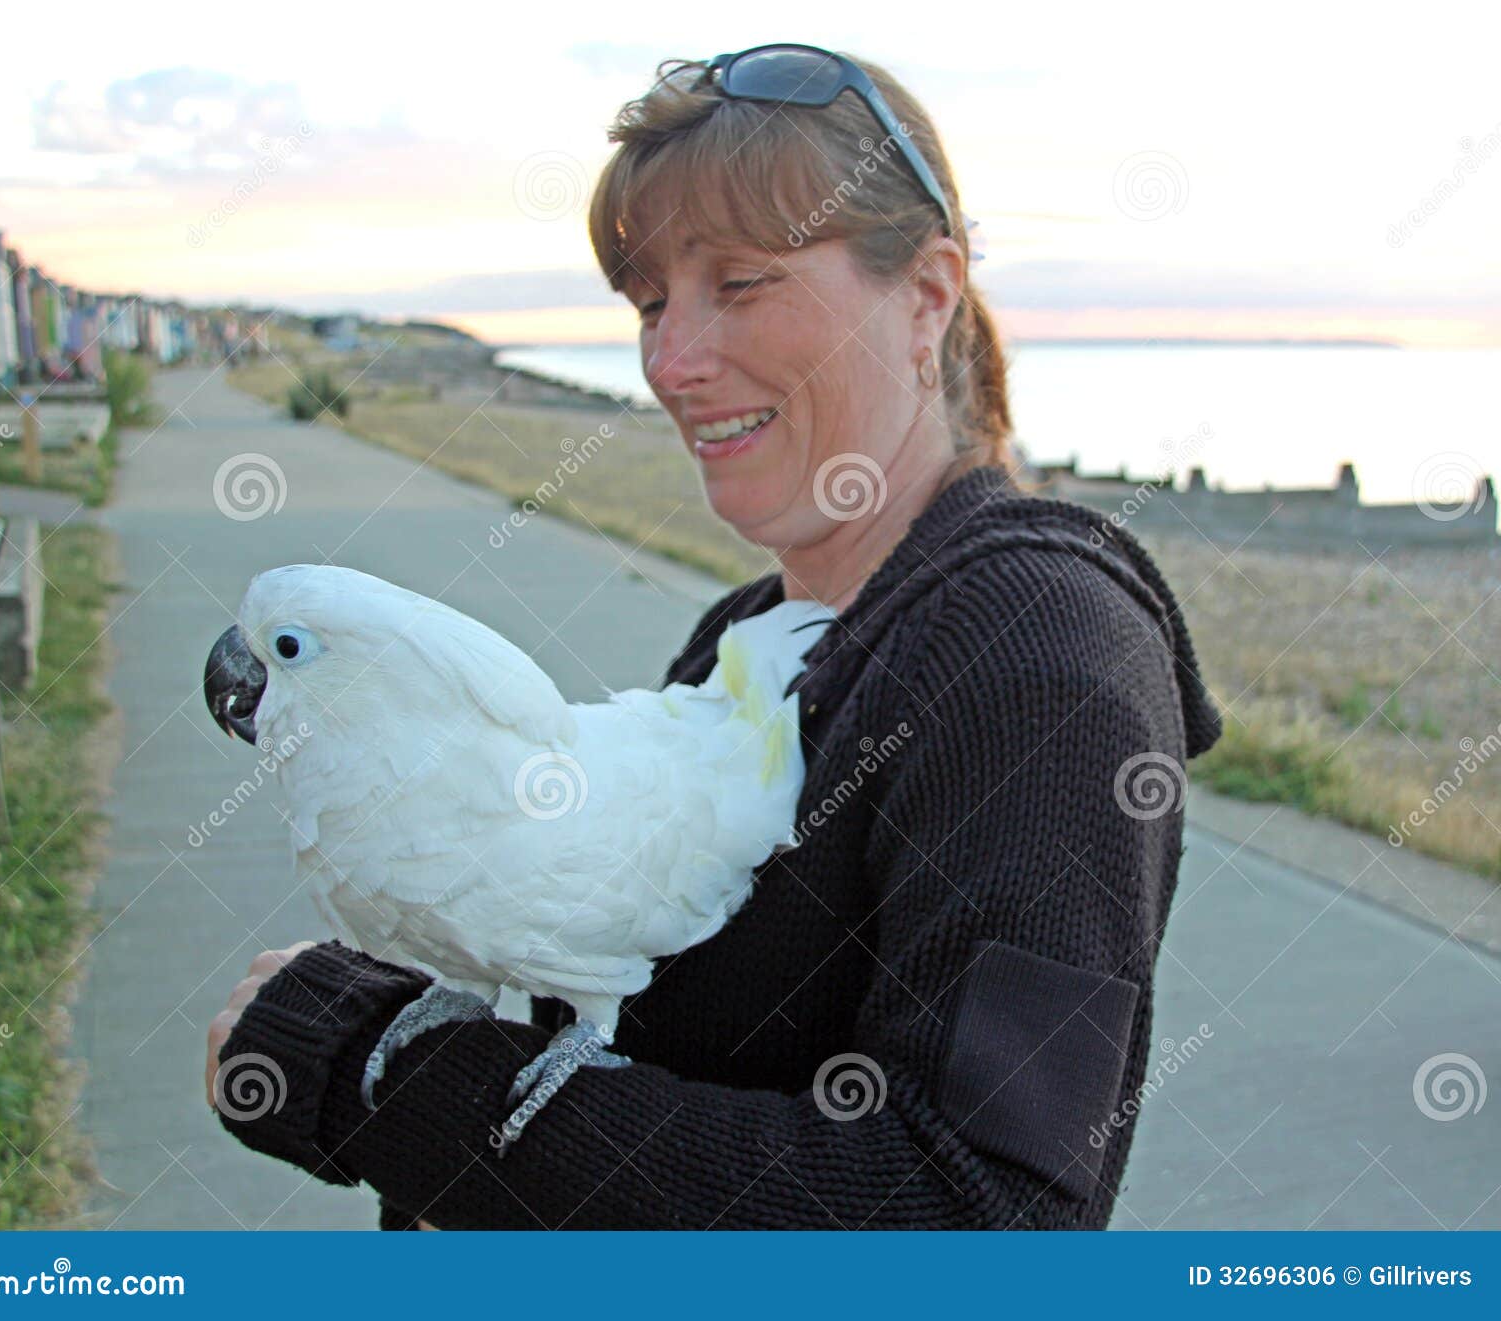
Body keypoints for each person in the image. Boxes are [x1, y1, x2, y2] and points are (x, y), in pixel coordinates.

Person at [205, 44, 1222, 1230]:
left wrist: (369, 1073)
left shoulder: (1041, 660)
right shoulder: (746, 636)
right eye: (648, 304)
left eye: (740, 283)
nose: (672, 362)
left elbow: (973, 1218)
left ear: (927, 297)